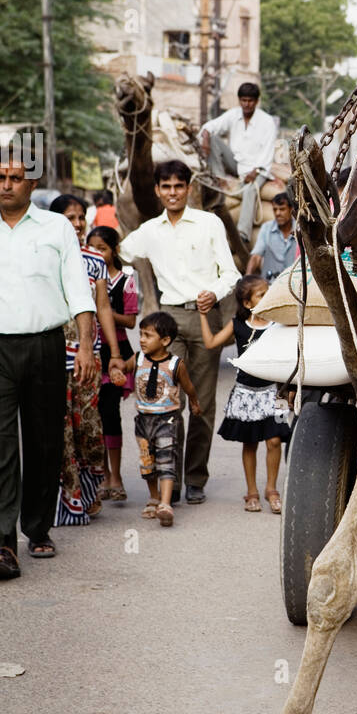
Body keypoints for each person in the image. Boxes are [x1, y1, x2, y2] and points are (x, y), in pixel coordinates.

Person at [118, 160, 240, 503]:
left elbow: (230, 273)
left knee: (200, 404)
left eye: (178, 186)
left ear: (188, 189)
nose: (172, 192)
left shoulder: (209, 223)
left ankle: (196, 479)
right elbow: (118, 251)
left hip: (205, 318)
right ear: (157, 191)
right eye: (166, 187)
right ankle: (168, 475)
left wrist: (213, 292)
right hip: (168, 319)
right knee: (168, 403)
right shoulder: (149, 230)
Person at [0, 156, 97, 578]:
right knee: (2, 446)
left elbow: (77, 287)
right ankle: (4, 541)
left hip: (45, 346)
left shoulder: (56, 227)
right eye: (1, 177)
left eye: (15, 178)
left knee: (43, 442)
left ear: (31, 183)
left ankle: (38, 527)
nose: (6, 185)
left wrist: (89, 348)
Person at [50, 195, 126, 527]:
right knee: (57, 431)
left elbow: (103, 308)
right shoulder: (45, 256)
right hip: (50, 356)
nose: (78, 224)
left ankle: (91, 491)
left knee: (89, 429)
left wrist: (115, 355)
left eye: (81, 217)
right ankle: (63, 499)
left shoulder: (94, 259)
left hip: (88, 358)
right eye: (70, 217)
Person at [199, 275, 291, 513]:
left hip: (276, 392)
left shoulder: (279, 323)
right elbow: (211, 343)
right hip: (246, 393)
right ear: (248, 303)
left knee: (274, 440)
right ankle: (251, 492)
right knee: (249, 443)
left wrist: (290, 389)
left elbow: (290, 355)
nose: (267, 296)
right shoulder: (239, 324)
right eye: (261, 295)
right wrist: (202, 315)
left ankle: (272, 490)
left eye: (268, 292)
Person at [117, 312, 200, 528]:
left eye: (147, 335)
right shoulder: (137, 359)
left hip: (167, 420)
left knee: (166, 460)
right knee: (147, 463)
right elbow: (121, 369)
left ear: (165, 341)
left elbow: (188, 386)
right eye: (141, 334)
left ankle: (165, 504)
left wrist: (194, 401)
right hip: (143, 421)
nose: (142, 339)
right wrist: (117, 373)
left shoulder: (175, 364)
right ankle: (153, 497)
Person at [86, 226, 139, 500]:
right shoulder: (83, 276)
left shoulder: (126, 280)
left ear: (114, 250)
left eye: (103, 248)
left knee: (110, 413)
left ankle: (115, 475)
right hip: (90, 351)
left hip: (115, 352)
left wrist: (99, 308)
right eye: (92, 248)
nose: (97, 253)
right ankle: (101, 474)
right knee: (92, 416)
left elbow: (130, 320)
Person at [199, 82, 277, 243]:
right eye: (243, 100)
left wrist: (255, 172)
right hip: (236, 164)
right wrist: (205, 136)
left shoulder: (267, 121)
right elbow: (211, 126)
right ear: (239, 100)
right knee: (212, 137)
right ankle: (219, 180)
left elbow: (268, 153)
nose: (246, 104)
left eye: (250, 101)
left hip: (258, 169)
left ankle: (243, 233)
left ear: (256, 101)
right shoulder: (233, 115)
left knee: (249, 191)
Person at [246, 191, 298, 281]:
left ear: (291, 210)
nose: (277, 213)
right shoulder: (267, 228)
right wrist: (247, 277)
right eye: (275, 209)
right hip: (270, 284)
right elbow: (256, 256)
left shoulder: (299, 229)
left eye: (282, 209)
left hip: (294, 284)